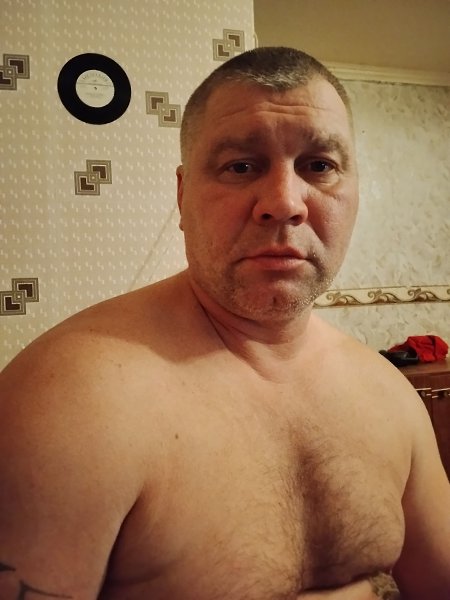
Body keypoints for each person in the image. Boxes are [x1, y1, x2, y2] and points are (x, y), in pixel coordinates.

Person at [0, 46, 449, 600]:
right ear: (182, 196)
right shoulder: (67, 405)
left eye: (319, 166)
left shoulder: (389, 396)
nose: (284, 203)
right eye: (241, 166)